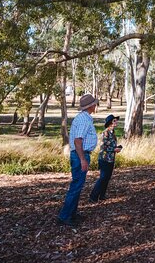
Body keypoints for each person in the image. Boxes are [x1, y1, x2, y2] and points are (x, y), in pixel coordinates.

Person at [57, 94, 98, 226]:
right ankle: (65, 216)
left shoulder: (85, 118)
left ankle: (72, 214)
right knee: (76, 187)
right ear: (91, 106)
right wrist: (83, 160)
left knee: (77, 186)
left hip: (80, 154)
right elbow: (78, 141)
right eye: (94, 104)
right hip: (80, 155)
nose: (95, 105)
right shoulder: (84, 120)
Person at [89, 114, 122, 203]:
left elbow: (110, 145)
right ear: (110, 123)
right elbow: (103, 147)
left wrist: (117, 148)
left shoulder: (112, 132)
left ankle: (102, 195)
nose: (116, 122)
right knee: (103, 177)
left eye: (116, 120)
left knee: (107, 177)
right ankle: (93, 196)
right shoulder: (105, 133)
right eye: (114, 121)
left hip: (110, 158)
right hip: (104, 158)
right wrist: (114, 149)